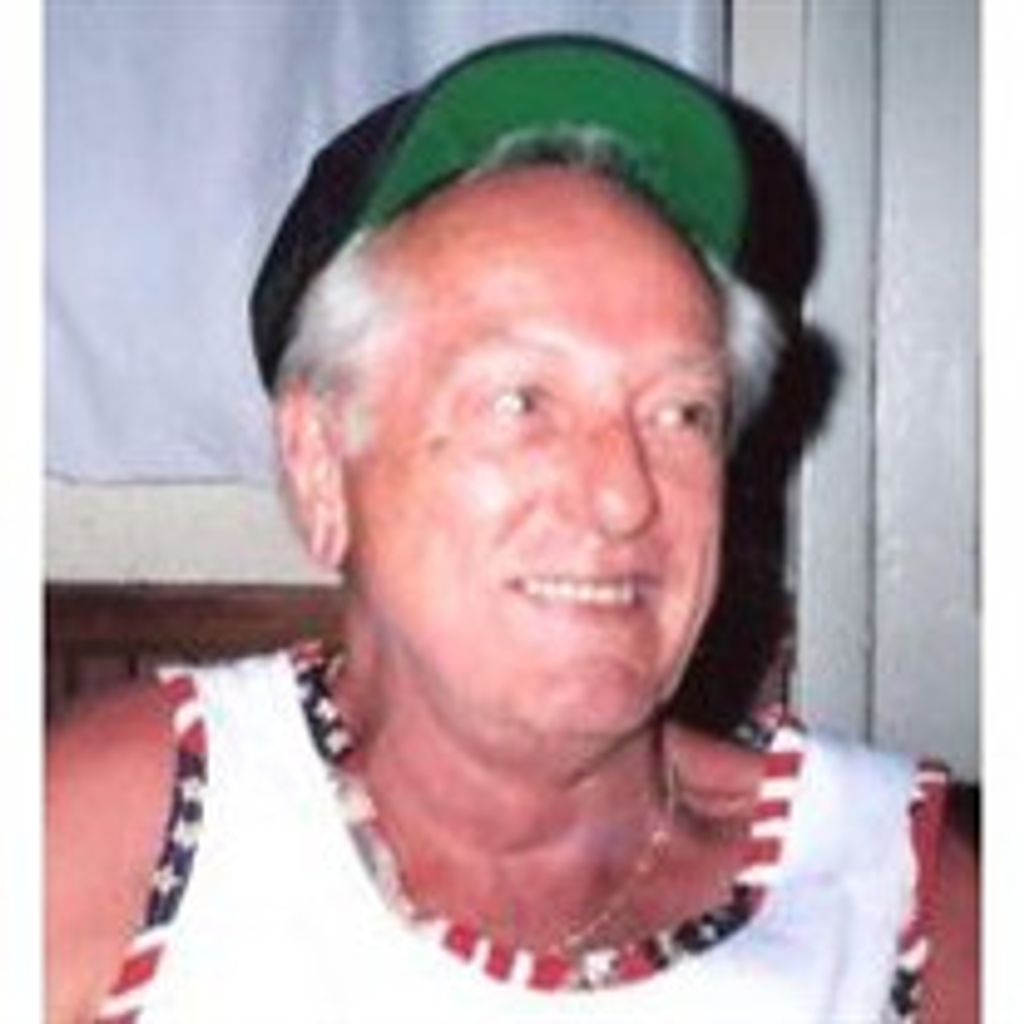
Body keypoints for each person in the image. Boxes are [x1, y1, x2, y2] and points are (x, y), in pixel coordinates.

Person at [46, 36, 978, 1024]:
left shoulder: (893, 896)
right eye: (521, 400)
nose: (623, 497)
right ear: (321, 465)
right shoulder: (135, 831)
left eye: (681, 413)